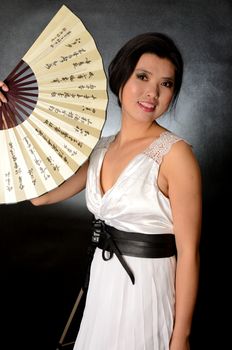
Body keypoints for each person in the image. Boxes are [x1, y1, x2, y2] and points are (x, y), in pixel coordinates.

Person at [0, 32, 202, 350]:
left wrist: (181, 337)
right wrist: (8, 117)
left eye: (166, 84)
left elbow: (189, 253)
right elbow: (40, 196)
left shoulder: (175, 155)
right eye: (143, 76)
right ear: (121, 76)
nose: (153, 92)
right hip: (104, 281)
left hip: (148, 288)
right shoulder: (101, 149)